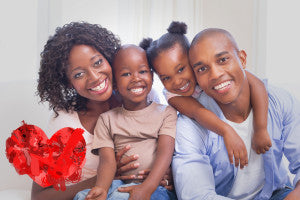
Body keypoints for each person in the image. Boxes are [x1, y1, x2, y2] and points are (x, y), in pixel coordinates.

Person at [32, 22, 172, 200]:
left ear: (108, 58)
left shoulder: (143, 94)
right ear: (68, 82)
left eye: (97, 63)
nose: (95, 77)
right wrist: (106, 178)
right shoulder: (63, 124)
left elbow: (165, 148)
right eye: (78, 74)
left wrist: (166, 176)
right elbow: (38, 197)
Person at [172, 28, 300, 199]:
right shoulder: (190, 125)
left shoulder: (279, 101)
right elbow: (197, 195)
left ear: (242, 59)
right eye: (202, 69)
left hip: (274, 194)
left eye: (223, 60)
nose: (216, 74)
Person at [140, 21, 271, 169]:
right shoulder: (173, 95)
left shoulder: (211, 73)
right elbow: (197, 112)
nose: (177, 82)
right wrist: (227, 131)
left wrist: (261, 128)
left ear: (192, 60)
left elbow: (257, 85)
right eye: (166, 78)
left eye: (181, 69)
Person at [75, 44, 177, 200]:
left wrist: (147, 188)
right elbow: (107, 161)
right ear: (114, 83)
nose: (136, 78)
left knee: (120, 198)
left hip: (156, 186)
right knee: (82, 196)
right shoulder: (106, 119)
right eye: (126, 74)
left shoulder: (166, 113)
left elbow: (165, 153)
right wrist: (101, 188)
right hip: (119, 184)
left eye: (142, 71)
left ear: (151, 76)